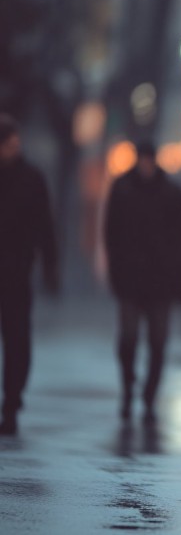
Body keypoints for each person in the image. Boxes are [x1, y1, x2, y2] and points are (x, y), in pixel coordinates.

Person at [104, 141, 181, 423]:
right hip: (131, 280)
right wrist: (116, 273)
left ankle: (149, 395)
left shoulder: (170, 192)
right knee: (128, 339)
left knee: (158, 342)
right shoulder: (122, 189)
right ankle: (129, 386)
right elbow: (111, 235)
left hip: (161, 283)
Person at [0, 114, 58, 435]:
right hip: (16, 267)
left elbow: (45, 226)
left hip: (17, 270)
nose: (14, 148)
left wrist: (50, 265)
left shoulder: (31, 178)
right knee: (17, 338)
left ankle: (11, 402)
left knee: (17, 339)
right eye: (8, 144)